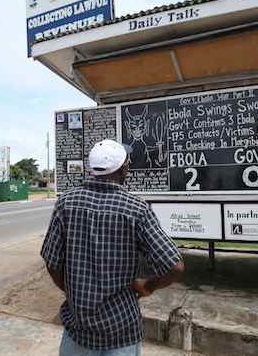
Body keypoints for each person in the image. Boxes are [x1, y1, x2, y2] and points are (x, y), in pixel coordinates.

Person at [41, 139, 185, 356]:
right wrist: (147, 286)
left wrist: (71, 292)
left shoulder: (66, 203)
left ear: (92, 168)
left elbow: (51, 261)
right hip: (121, 330)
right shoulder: (136, 209)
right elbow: (175, 267)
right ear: (124, 168)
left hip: (77, 329)